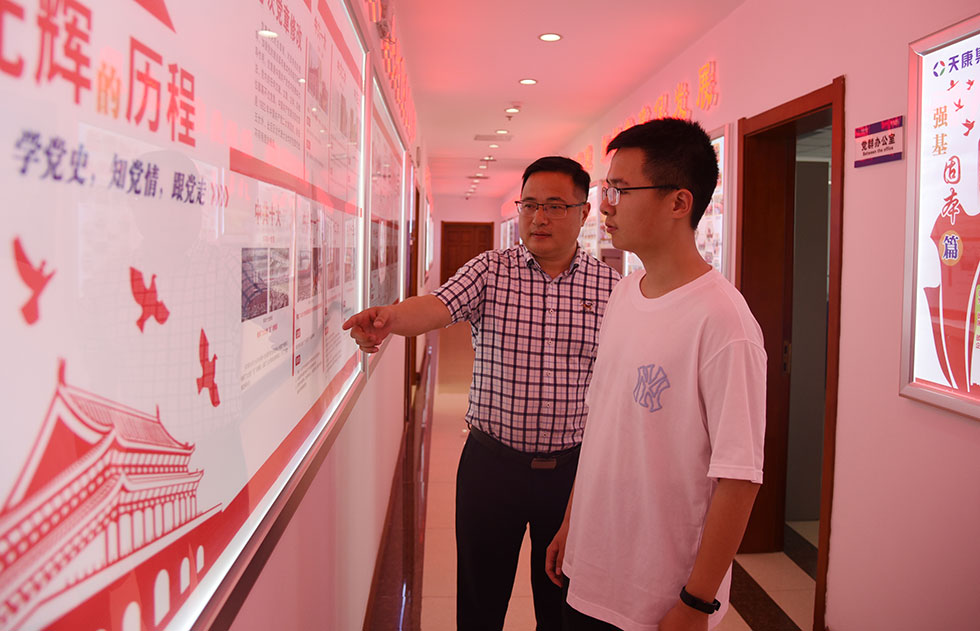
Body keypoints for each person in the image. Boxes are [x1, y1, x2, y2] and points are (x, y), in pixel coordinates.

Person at [342, 156, 620, 630]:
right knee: (480, 603)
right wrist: (389, 318)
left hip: (572, 474)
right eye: (530, 205)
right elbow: (436, 306)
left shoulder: (611, 287)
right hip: (491, 467)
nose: (539, 217)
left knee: (561, 605)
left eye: (554, 206)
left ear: (584, 212)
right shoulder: (491, 270)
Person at [545, 119, 767, 631]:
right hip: (589, 569)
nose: (606, 206)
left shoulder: (724, 323)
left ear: (678, 203)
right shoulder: (626, 292)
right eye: (607, 190)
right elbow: (603, 427)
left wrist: (696, 602)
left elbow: (739, 478)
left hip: (658, 597)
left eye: (621, 191)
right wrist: (572, 522)